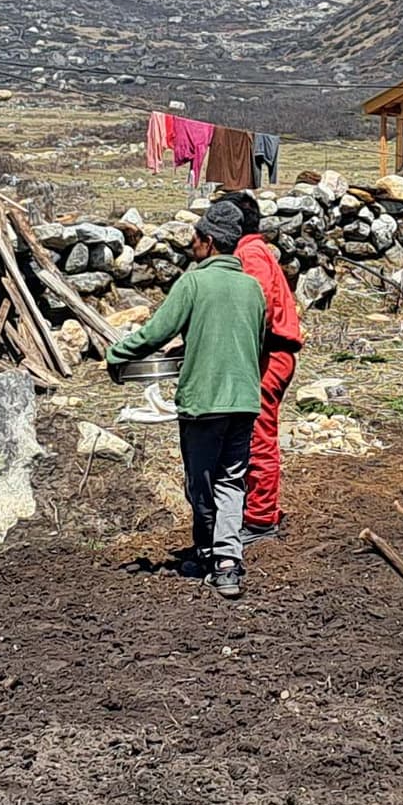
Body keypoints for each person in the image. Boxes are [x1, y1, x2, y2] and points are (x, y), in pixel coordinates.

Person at [106, 199, 271, 599]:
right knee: (232, 481)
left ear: (209, 242)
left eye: (196, 237)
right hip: (245, 400)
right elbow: (258, 343)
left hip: (203, 402)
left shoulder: (194, 283)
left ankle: (210, 550)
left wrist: (117, 355)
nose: (191, 243)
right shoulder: (252, 288)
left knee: (200, 483)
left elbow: (157, 332)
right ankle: (226, 562)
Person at [222, 194, 307, 545]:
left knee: (259, 436)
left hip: (268, 355)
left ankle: (260, 518)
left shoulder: (249, 254)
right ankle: (255, 510)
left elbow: (260, 308)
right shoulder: (255, 251)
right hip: (269, 352)